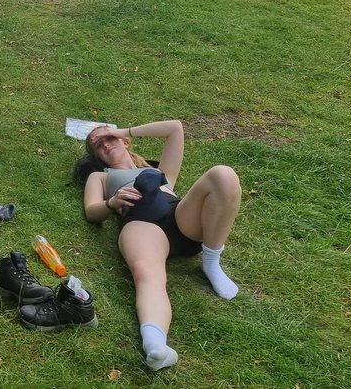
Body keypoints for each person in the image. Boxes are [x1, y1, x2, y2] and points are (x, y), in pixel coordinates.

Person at [81, 120, 242, 371]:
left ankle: (211, 263)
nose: (105, 144)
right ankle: (156, 347)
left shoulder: (160, 171)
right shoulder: (101, 176)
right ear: (97, 157)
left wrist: (121, 131)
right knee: (146, 274)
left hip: (179, 216)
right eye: (98, 145)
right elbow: (92, 212)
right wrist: (112, 202)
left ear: (125, 141)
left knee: (223, 174)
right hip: (141, 222)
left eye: (109, 138)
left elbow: (175, 128)